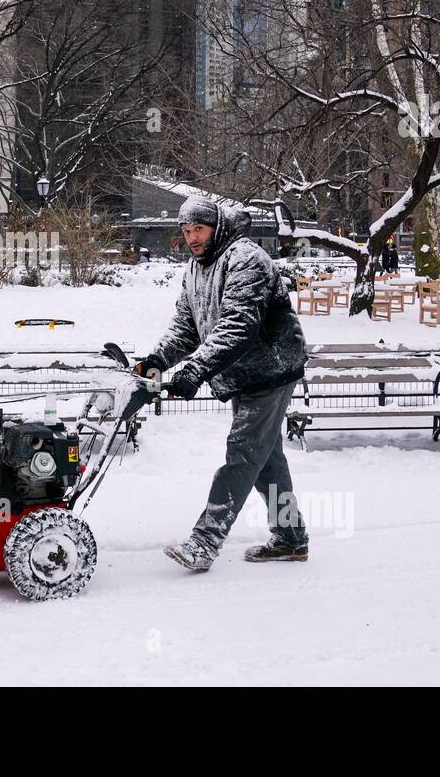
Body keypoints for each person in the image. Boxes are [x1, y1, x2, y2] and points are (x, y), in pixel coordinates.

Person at [133, 195, 311, 572]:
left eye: (198, 229)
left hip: (271, 368)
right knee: (266, 460)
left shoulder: (245, 258)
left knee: (244, 453)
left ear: (216, 226)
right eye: (186, 231)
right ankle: (291, 537)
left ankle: (204, 541)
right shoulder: (197, 268)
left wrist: (195, 370)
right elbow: (186, 327)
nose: (192, 238)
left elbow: (239, 326)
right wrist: (157, 360)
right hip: (244, 373)